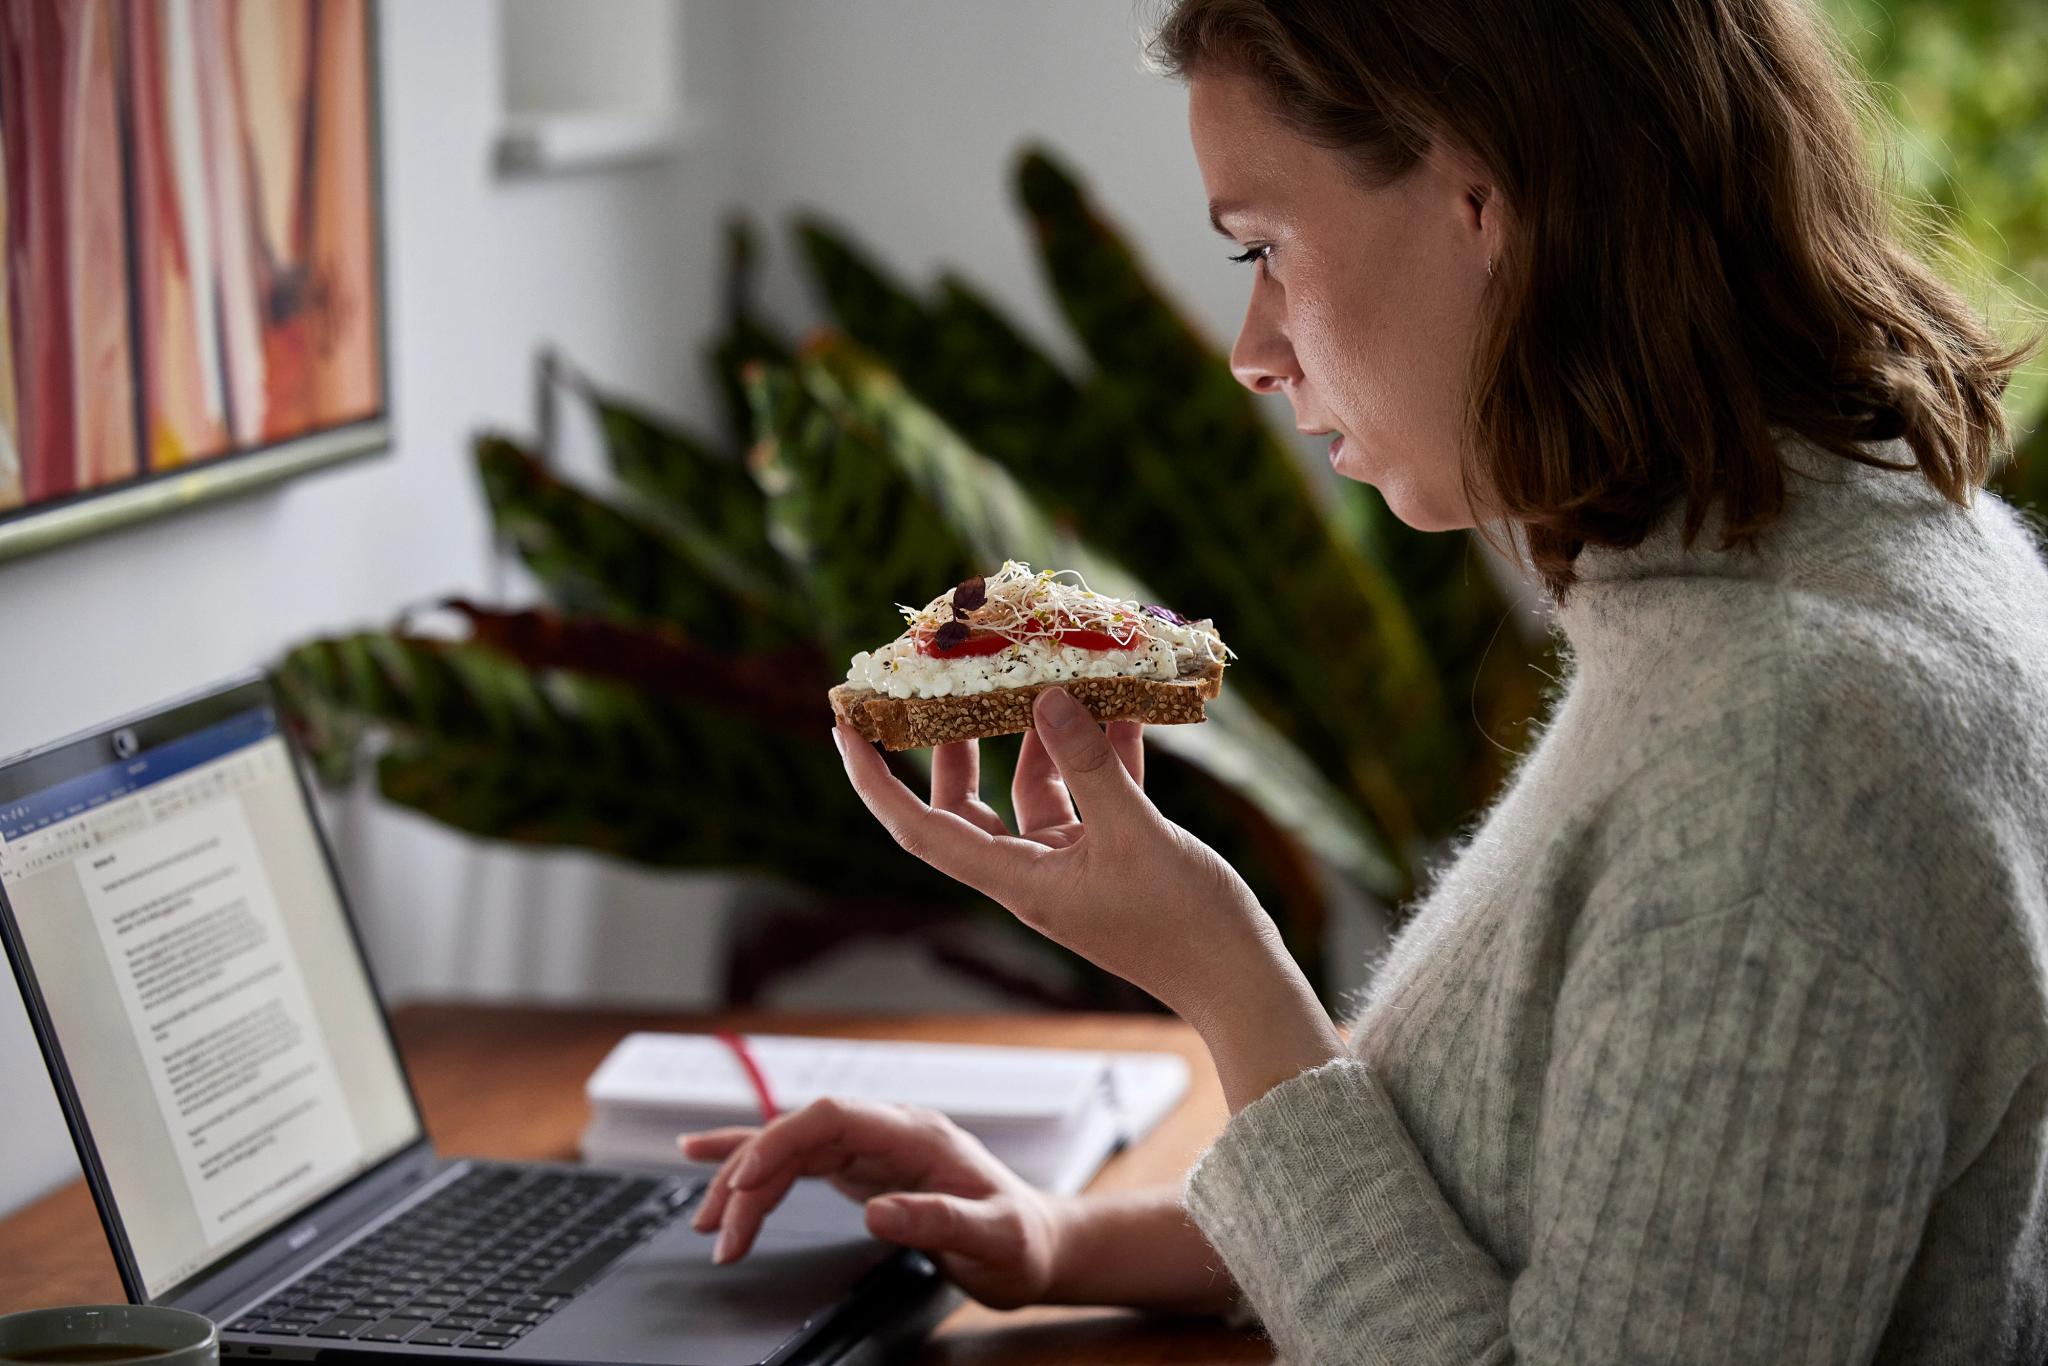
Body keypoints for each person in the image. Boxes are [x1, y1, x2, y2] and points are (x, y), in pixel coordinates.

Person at [679, 0, 2048, 1360]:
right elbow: (1583, 1175)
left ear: (1480, 189)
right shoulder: (1836, 571)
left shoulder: (1776, 761)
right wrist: (1060, 1237)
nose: (1252, 348)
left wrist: (1228, 979)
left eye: (1264, 247)